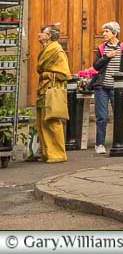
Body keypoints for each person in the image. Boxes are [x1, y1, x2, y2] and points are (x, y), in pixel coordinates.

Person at [92, 21, 123, 155]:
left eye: (106, 31)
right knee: (102, 117)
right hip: (102, 87)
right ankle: (99, 144)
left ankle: (118, 141)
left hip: (117, 88)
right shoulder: (101, 48)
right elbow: (96, 66)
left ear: (115, 33)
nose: (104, 34)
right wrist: (106, 57)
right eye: (103, 31)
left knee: (119, 115)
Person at [33, 24, 70, 163]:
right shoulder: (46, 49)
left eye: (41, 33)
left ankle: (58, 154)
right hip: (44, 89)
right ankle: (47, 152)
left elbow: (65, 73)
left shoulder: (57, 50)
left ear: (48, 36)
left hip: (52, 89)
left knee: (52, 120)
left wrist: (47, 74)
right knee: (42, 121)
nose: (38, 35)